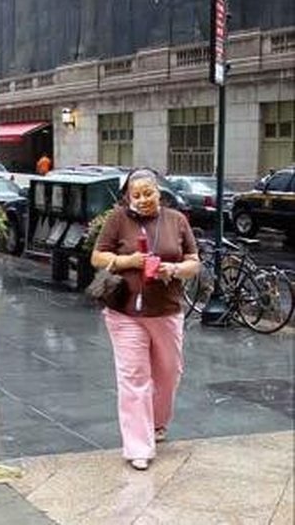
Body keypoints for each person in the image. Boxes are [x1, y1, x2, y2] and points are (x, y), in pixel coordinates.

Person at [91, 168, 200, 471]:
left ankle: (157, 423)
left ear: (158, 192)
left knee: (169, 373)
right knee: (134, 378)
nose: (142, 199)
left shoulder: (176, 220)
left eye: (147, 193)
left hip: (166, 310)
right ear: (128, 197)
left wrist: (173, 269)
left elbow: (194, 262)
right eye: (135, 195)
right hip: (124, 312)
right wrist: (129, 261)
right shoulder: (118, 219)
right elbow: (97, 256)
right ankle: (138, 447)